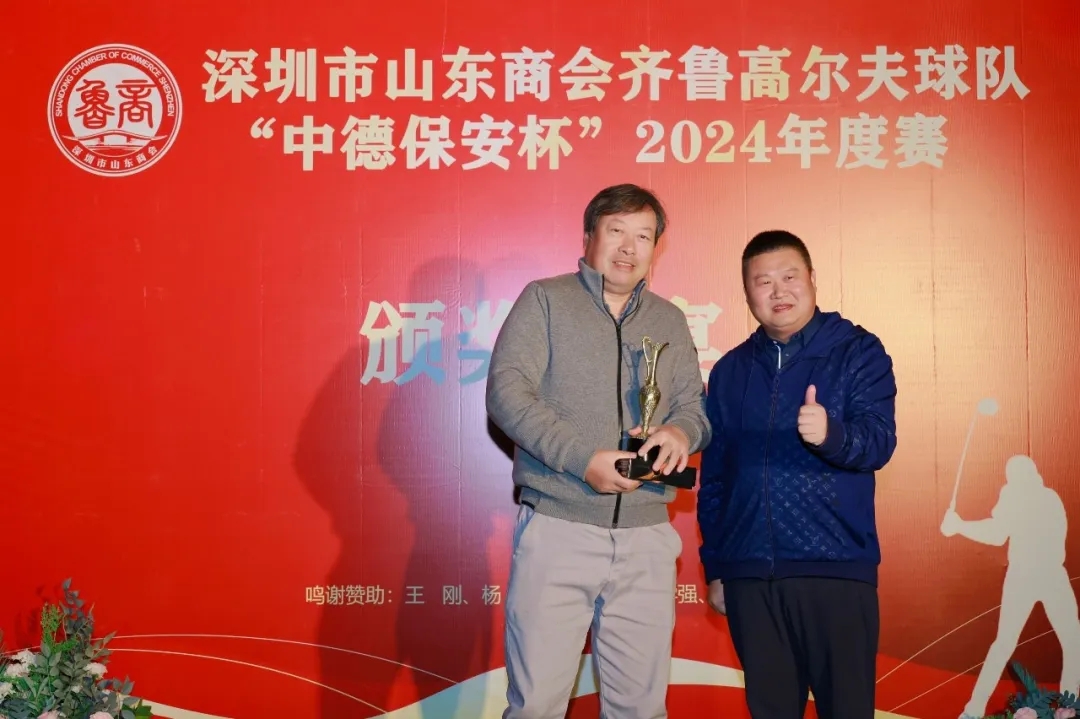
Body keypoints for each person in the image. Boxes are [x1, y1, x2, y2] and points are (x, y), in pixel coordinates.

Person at [486, 183, 711, 719]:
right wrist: (582, 458)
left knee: (641, 708)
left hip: (647, 535)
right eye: (617, 231)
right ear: (589, 236)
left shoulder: (668, 319)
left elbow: (694, 407)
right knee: (537, 706)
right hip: (559, 525)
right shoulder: (546, 300)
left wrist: (681, 433)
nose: (630, 248)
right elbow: (507, 393)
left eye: (644, 236)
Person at [697, 230, 898, 719]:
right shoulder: (730, 371)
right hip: (750, 578)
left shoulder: (857, 351)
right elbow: (716, 478)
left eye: (789, 277)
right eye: (763, 281)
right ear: (747, 293)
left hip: (834, 569)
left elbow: (879, 442)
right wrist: (719, 569)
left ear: (811, 279)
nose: (778, 291)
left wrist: (831, 434)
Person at [942, 455, 1080, 719]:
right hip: (1040, 574)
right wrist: (960, 526)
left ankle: (1069, 706)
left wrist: (959, 526)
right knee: (1064, 640)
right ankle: (975, 710)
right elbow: (999, 530)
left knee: (1062, 640)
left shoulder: (1026, 497)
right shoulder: (1042, 496)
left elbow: (996, 534)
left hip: (1039, 574)